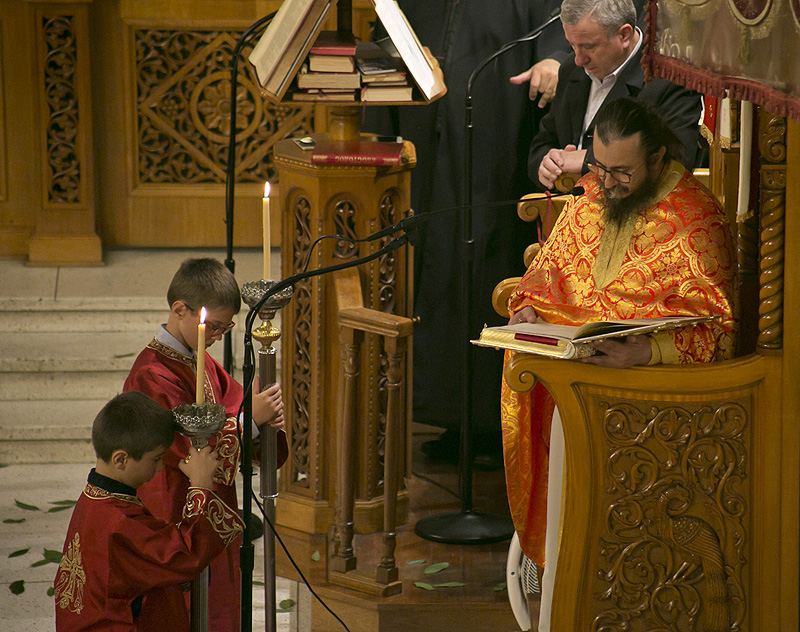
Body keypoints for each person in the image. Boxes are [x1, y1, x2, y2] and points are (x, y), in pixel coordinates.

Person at [501, 97, 735, 630]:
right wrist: (530, 307)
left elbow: (719, 331)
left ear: (656, 159)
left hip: (651, 407)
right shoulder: (590, 196)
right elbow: (546, 273)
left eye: (622, 172)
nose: (605, 184)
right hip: (571, 394)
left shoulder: (696, 218)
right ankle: (562, 608)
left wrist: (644, 351)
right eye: (600, 168)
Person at [365, 0, 572, 468]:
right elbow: (388, 38)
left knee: (486, 273)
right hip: (427, 159)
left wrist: (554, 59)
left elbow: (562, 21)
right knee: (437, 278)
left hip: (496, 156)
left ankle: (492, 423)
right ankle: (450, 418)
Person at [123, 257, 286, 632]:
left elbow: (238, 405)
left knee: (220, 605)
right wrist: (251, 422)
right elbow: (185, 450)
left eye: (225, 327)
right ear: (180, 309)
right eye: (213, 326)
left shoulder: (202, 362)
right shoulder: (151, 374)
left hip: (214, 508)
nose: (217, 335)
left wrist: (262, 417)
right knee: (187, 610)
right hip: (176, 508)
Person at [54, 391, 244, 632]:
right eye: (155, 459)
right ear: (121, 459)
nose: (158, 469)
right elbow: (184, 555)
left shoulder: (93, 498)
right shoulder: (119, 522)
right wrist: (201, 485)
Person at [529, 0, 703, 191]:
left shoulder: (670, 77)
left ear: (624, 34)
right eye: (572, 45)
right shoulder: (571, 69)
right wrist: (546, 163)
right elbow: (544, 140)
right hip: (567, 210)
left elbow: (676, 164)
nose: (579, 59)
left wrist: (587, 160)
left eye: (589, 47)